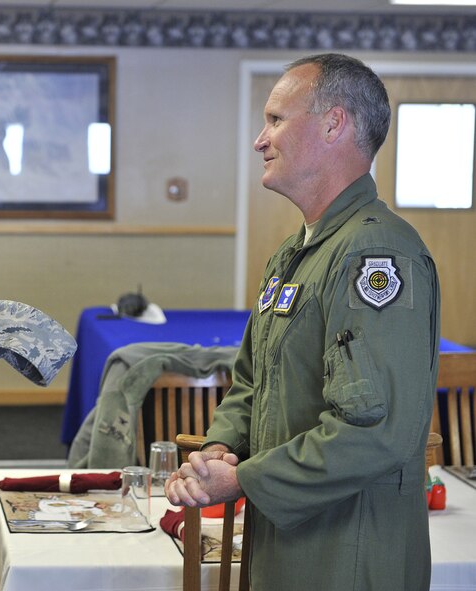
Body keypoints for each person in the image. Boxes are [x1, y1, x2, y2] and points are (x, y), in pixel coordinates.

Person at [165, 53, 440, 591]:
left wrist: (241, 478)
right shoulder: (296, 253)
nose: (259, 140)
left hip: (349, 553)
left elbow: (375, 432)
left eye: (275, 119)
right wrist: (223, 445)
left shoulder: (374, 253)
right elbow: (253, 380)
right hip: (287, 540)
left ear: (334, 124)